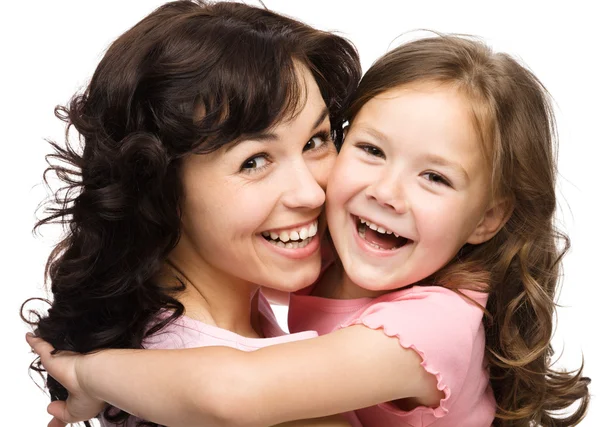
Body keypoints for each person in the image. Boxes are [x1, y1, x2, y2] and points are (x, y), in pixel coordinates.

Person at [28, 34, 592, 426]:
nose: (387, 193)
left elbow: (234, 392)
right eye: (370, 150)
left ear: (488, 218)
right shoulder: (332, 263)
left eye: (436, 178)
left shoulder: (432, 326)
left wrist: (88, 373)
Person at [21, 1, 362, 426]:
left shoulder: (164, 354)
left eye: (316, 140)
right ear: (160, 187)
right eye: (254, 161)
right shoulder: (225, 395)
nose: (311, 193)